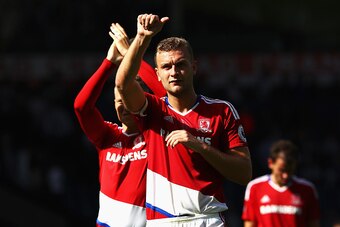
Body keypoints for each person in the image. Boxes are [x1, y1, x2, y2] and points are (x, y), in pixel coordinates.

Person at [115, 14, 252, 226]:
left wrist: (199, 146)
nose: (174, 72)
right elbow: (123, 85)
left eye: (180, 64)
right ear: (157, 74)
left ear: (194, 67)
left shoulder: (221, 111)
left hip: (208, 219)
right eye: (167, 67)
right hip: (163, 221)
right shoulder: (152, 109)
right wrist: (142, 37)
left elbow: (244, 173)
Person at [74, 22, 165, 227]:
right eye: (118, 101)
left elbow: (168, 99)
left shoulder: (156, 134)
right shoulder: (107, 135)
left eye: (127, 100)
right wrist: (109, 62)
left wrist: (129, 52)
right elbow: (81, 107)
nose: (123, 107)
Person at [242, 139, 320, 227]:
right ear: (270, 163)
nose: (285, 175)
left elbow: (314, 224)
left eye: (290, 170)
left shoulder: (307, 189)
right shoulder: (255, 187)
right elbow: (249, 224)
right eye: (282, 170)